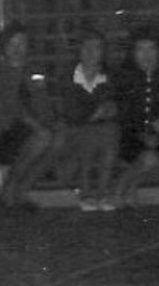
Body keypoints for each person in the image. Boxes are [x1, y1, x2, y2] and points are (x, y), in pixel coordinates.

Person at [0, 25, 58, 208]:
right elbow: (9, 109)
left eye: (22, 43)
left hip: (29, 129)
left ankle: (22, 190)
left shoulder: (34, 72)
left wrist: (50, 122)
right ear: (4, 47)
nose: (17, 49)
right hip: (1, 133)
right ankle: (9, 188)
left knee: (58, 139)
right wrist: (38, 126)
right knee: (43, 137)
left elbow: (43, 103)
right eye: (12, 44)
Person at [108, 29, 159, 208]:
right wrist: (143, 135)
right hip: (129, 138)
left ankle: (132, 187)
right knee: (149, 158)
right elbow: (124, 117)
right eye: (140, 49)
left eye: (151, 49)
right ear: (133, 53)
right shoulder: (124, 80)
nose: (146, 55)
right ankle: (118, 190)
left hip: (158, 138)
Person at [50, 31, 121, 210]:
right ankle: (88, 191)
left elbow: (113, 107)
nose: (90, 52)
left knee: (108, 131)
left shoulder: (111, 76)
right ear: (79, 50)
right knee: (91, 132)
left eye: (96, 47)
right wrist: (96, 113)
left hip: (103, 132)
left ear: (103, 52)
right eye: (86, 47)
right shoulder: (68, 76)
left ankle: (102, 192)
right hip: (74, 132)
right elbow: (71, 112)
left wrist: (99, 112)